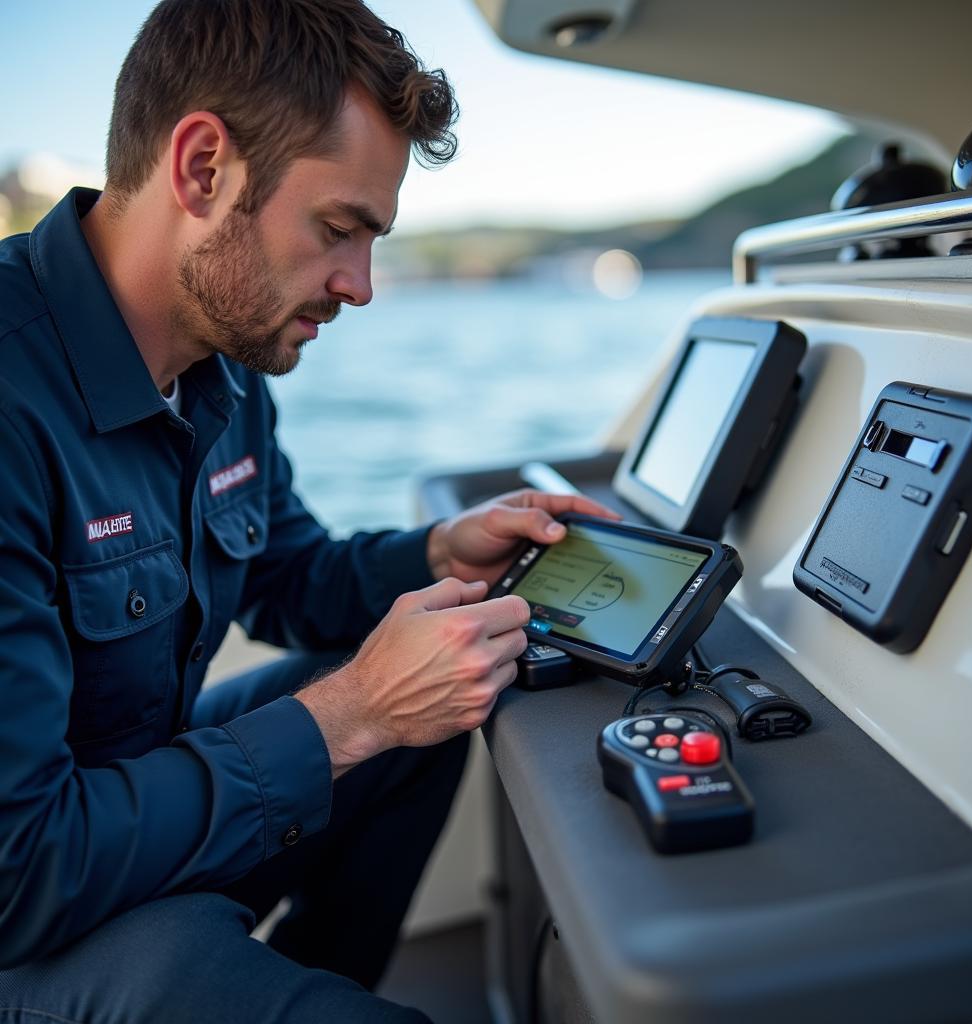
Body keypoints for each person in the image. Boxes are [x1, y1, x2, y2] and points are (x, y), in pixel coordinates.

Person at [0, 1, 616, 1020]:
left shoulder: (223, 363)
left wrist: (434, 549)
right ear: (203, 168)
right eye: (339, 230)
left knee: (421, 699)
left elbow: (287, 579)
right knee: (366, 709)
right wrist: (352, 715)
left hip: (119, 808)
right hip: (27, 908)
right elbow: (20, 870)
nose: (360, 286)